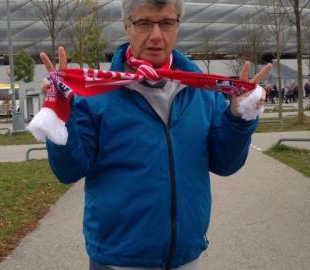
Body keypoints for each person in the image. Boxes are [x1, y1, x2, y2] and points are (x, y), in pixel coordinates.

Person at [38, 1, 272, 269]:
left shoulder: (202, 89)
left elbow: (225, 163)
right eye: (144, 23)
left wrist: (239, 117)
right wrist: (60, 112)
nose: (157, 35)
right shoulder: (95, 92)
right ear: (127, 27)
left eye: (166, 23)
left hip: (186, 256)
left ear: (178, 26)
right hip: (119, 259)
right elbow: (68, 170)